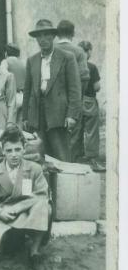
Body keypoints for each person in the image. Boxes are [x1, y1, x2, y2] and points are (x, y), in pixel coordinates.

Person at [0, 125, 51, 270]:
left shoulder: (34, 168)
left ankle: (34, 252)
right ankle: (18, 238)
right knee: (6, 249)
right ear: (2, 150)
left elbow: (42, 194)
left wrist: (18, 208)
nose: (14, 155)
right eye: (9, 150)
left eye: (17, 149)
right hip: (5, 214)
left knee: (44, 206)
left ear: (24, 148)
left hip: (28, 211)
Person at [22, 19, 82, 162]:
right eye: (39, 36)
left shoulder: (67, 57)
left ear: (53, 36)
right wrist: (25, 117)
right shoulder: (32, 60)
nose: (42, 40)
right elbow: (27, 91)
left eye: (46, 35)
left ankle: (63, 183)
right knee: (39, 155)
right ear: (36, 39)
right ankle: (44, 184)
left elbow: (75, 89)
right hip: (37, 115)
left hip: (59, 115)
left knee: (61, 156)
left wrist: (72, 115)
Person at [56, 20, 90, 162]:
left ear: (57, 34)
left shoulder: (51, 49)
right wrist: (78, 99)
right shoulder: (78, 51)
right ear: (73, 33)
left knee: (55, 138)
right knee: (73, 138)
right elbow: (84, 78)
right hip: (73, 103)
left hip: (53, 104)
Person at [78, 41, 105, 172]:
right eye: (90, 50)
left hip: (76, 101)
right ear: (87, 51)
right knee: (92, 131)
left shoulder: (73, 65)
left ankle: (78, 158)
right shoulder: (91, 67)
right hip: (89, 101)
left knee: (77, 130)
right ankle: (92, 161)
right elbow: (97, 87)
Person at [1, 43, 26, 127]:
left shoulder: (5, 62)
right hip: (23, 96)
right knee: (19, 125)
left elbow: (2, 78)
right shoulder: (23, 62)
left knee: (10, 124)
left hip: (13, 97)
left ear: (6, 53)